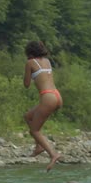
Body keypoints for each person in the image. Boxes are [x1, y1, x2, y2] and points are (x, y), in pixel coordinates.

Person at [23, 41, 62, 171]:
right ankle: (39, 146)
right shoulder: (47, 61)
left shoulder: (30, 63)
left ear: (29, 53)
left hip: (47, 97)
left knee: (34, 131)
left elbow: (26, 84)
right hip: (56, 95)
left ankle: (53, 154)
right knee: (28, 116)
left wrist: (27, 72)